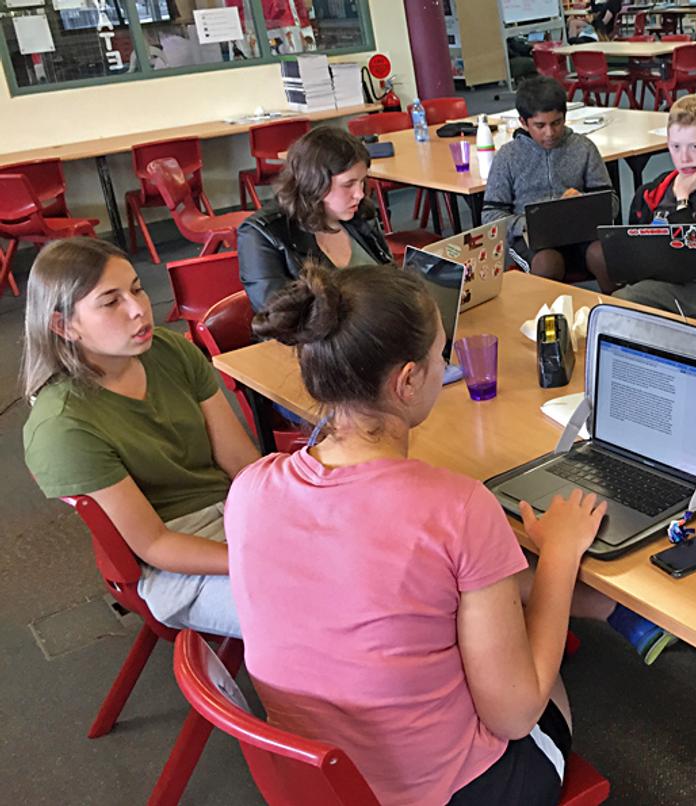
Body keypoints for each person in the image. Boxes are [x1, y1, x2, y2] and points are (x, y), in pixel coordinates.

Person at [225, 264, 669, 804]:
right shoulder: (458, 507)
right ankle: (607, 608)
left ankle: (606, 608)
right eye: (442, 354)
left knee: (465, 586)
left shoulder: (251, 487)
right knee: (516, 642)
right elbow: (514, 714)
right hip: (451, 792)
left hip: (315, 783)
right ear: (408, 380)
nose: (447, 364)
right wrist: (557, 553)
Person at [21, 238, 259, 638]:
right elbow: (154, 544)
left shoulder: (169, 350)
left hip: (235, 513)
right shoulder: (63, 426)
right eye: (110, 301)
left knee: (357, 568)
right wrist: (258, 560)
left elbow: (241, 463)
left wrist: (288, 521)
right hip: (174, 561)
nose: (138, 309)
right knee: (315, 614)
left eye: (137, 288)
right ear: (64, 326)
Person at [612, 93, 696, 320]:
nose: (684, 157)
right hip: (657, 278)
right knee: (616, 298)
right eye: (676, 147)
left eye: (694, 146)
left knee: (623, 302)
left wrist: (682, 200)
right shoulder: (652, 191)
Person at [237, 125, 392, 312]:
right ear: (314, 183)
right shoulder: (261, 234)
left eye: (362, 181)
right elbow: (278, 317)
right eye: (348, 184)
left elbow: (389, 275)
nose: (359, 194)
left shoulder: (358, 213)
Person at [482, 75, 616, 291]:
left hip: (580, 234)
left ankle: (618, 305)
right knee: (547, 263)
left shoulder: (583, 148)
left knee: (604, 254)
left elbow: (611, 203)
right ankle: (547, 310)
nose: (550, 133)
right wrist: (525, 224)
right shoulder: (508, 157)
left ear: (564, 117)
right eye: (540, 125)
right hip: (533, 242)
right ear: (523, 122)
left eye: (556, 123)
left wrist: (586, 203)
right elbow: (490, 216)